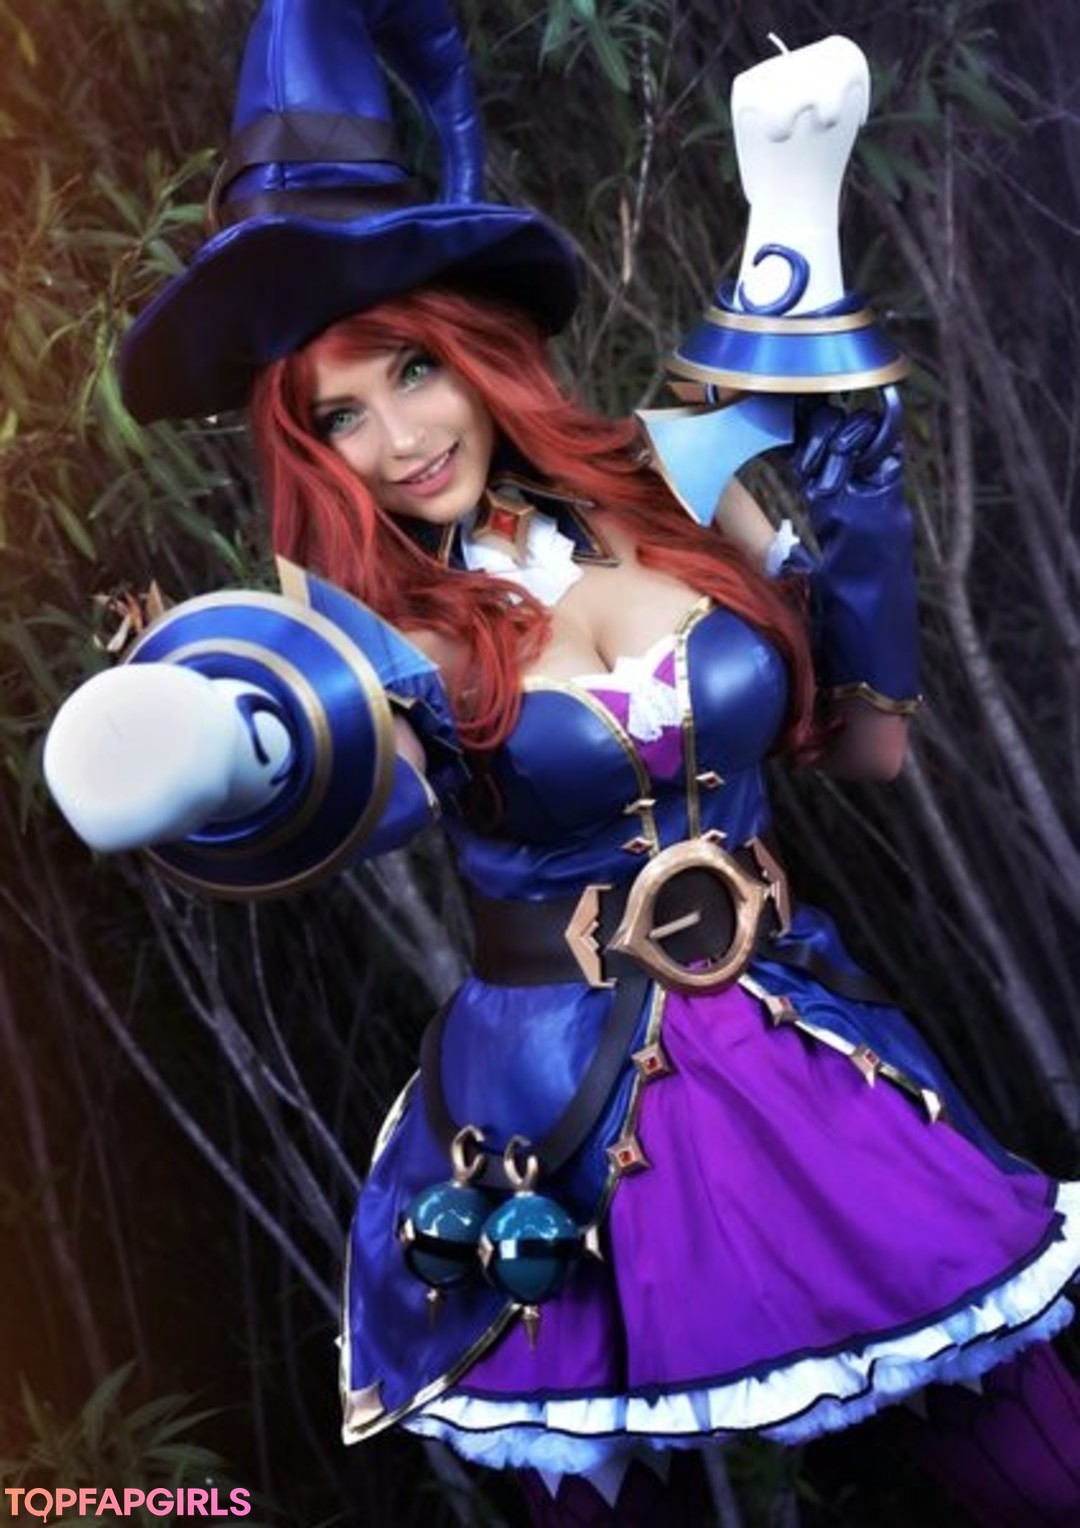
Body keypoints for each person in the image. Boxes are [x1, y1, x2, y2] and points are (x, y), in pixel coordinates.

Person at [43, 2, 1080, 1524]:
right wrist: (216, 744)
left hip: (800, 1043)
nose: (398, 438)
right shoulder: (360, 633)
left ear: (476, 348)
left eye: (413, 368)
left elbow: (866, 739)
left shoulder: (664, 474)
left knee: (1037, 1467)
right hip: (559, 1127)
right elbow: (345, 771)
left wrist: (808, 278)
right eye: (339, 416)